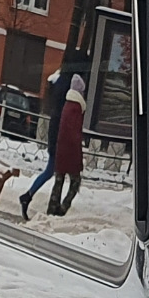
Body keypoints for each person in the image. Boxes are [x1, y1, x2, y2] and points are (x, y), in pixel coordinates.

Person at [18, 67, 72, 220]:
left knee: (52, 171)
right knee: (52, 171)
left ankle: (29, 197)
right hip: (58, 142)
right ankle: (29, 197)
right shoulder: (62, 107)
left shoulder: (57, 103)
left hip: (55, 140)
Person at [48, 75, 86, 216]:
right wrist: (78, 156)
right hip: (71, 152)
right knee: (75, 182)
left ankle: (53, 207)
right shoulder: (76, 107)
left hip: (61, 150)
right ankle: (63, 208)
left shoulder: (67, 104)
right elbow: (74, 134)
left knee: (59, 179)